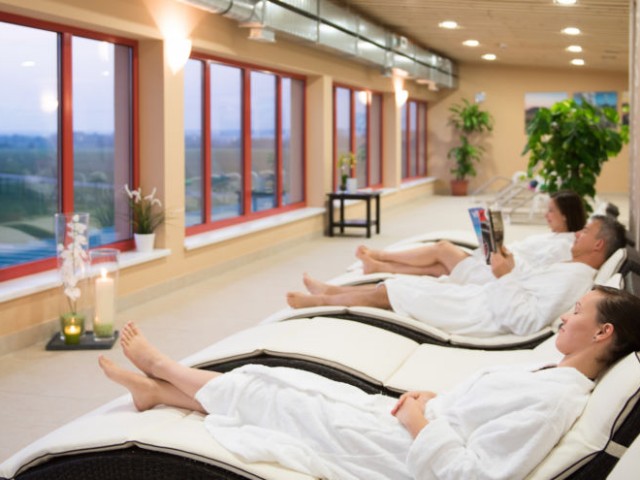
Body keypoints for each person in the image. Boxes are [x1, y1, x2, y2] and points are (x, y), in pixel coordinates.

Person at [100, 286, 640, 480]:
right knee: (281, 379)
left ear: (603, 332)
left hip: (400, 455)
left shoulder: (554, 402)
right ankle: (157, 392)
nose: (564, 316)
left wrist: (421, 422)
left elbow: (474, 476)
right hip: (408, 426)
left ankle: (163, 368)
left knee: (269, 394)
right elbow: (478, 413)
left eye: (576, 311)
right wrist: (435, 401)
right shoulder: (553, 376)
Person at [287, 215, 627, 336]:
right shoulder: (572, 268)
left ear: (598, 245)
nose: (577, 234)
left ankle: (321, 300)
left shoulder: (575, 279)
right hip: (486, 297)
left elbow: (526, 321)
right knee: (400, 286)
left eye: (585, 232)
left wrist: (504, 276)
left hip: (483, 314)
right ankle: (330, 293)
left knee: (392, 291)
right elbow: (529, 289)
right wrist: (509, 268)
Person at [356, 190, 587, 278]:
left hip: (499, 273)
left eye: (551, 211)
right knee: (440, 269)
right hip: (498, 262)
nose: (546, 214)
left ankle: (381, 255)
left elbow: (539, 271)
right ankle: (379, 267)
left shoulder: (565, 245)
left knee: (442, 248)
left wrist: (504, 257)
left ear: (566, 215)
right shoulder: (554, 237)